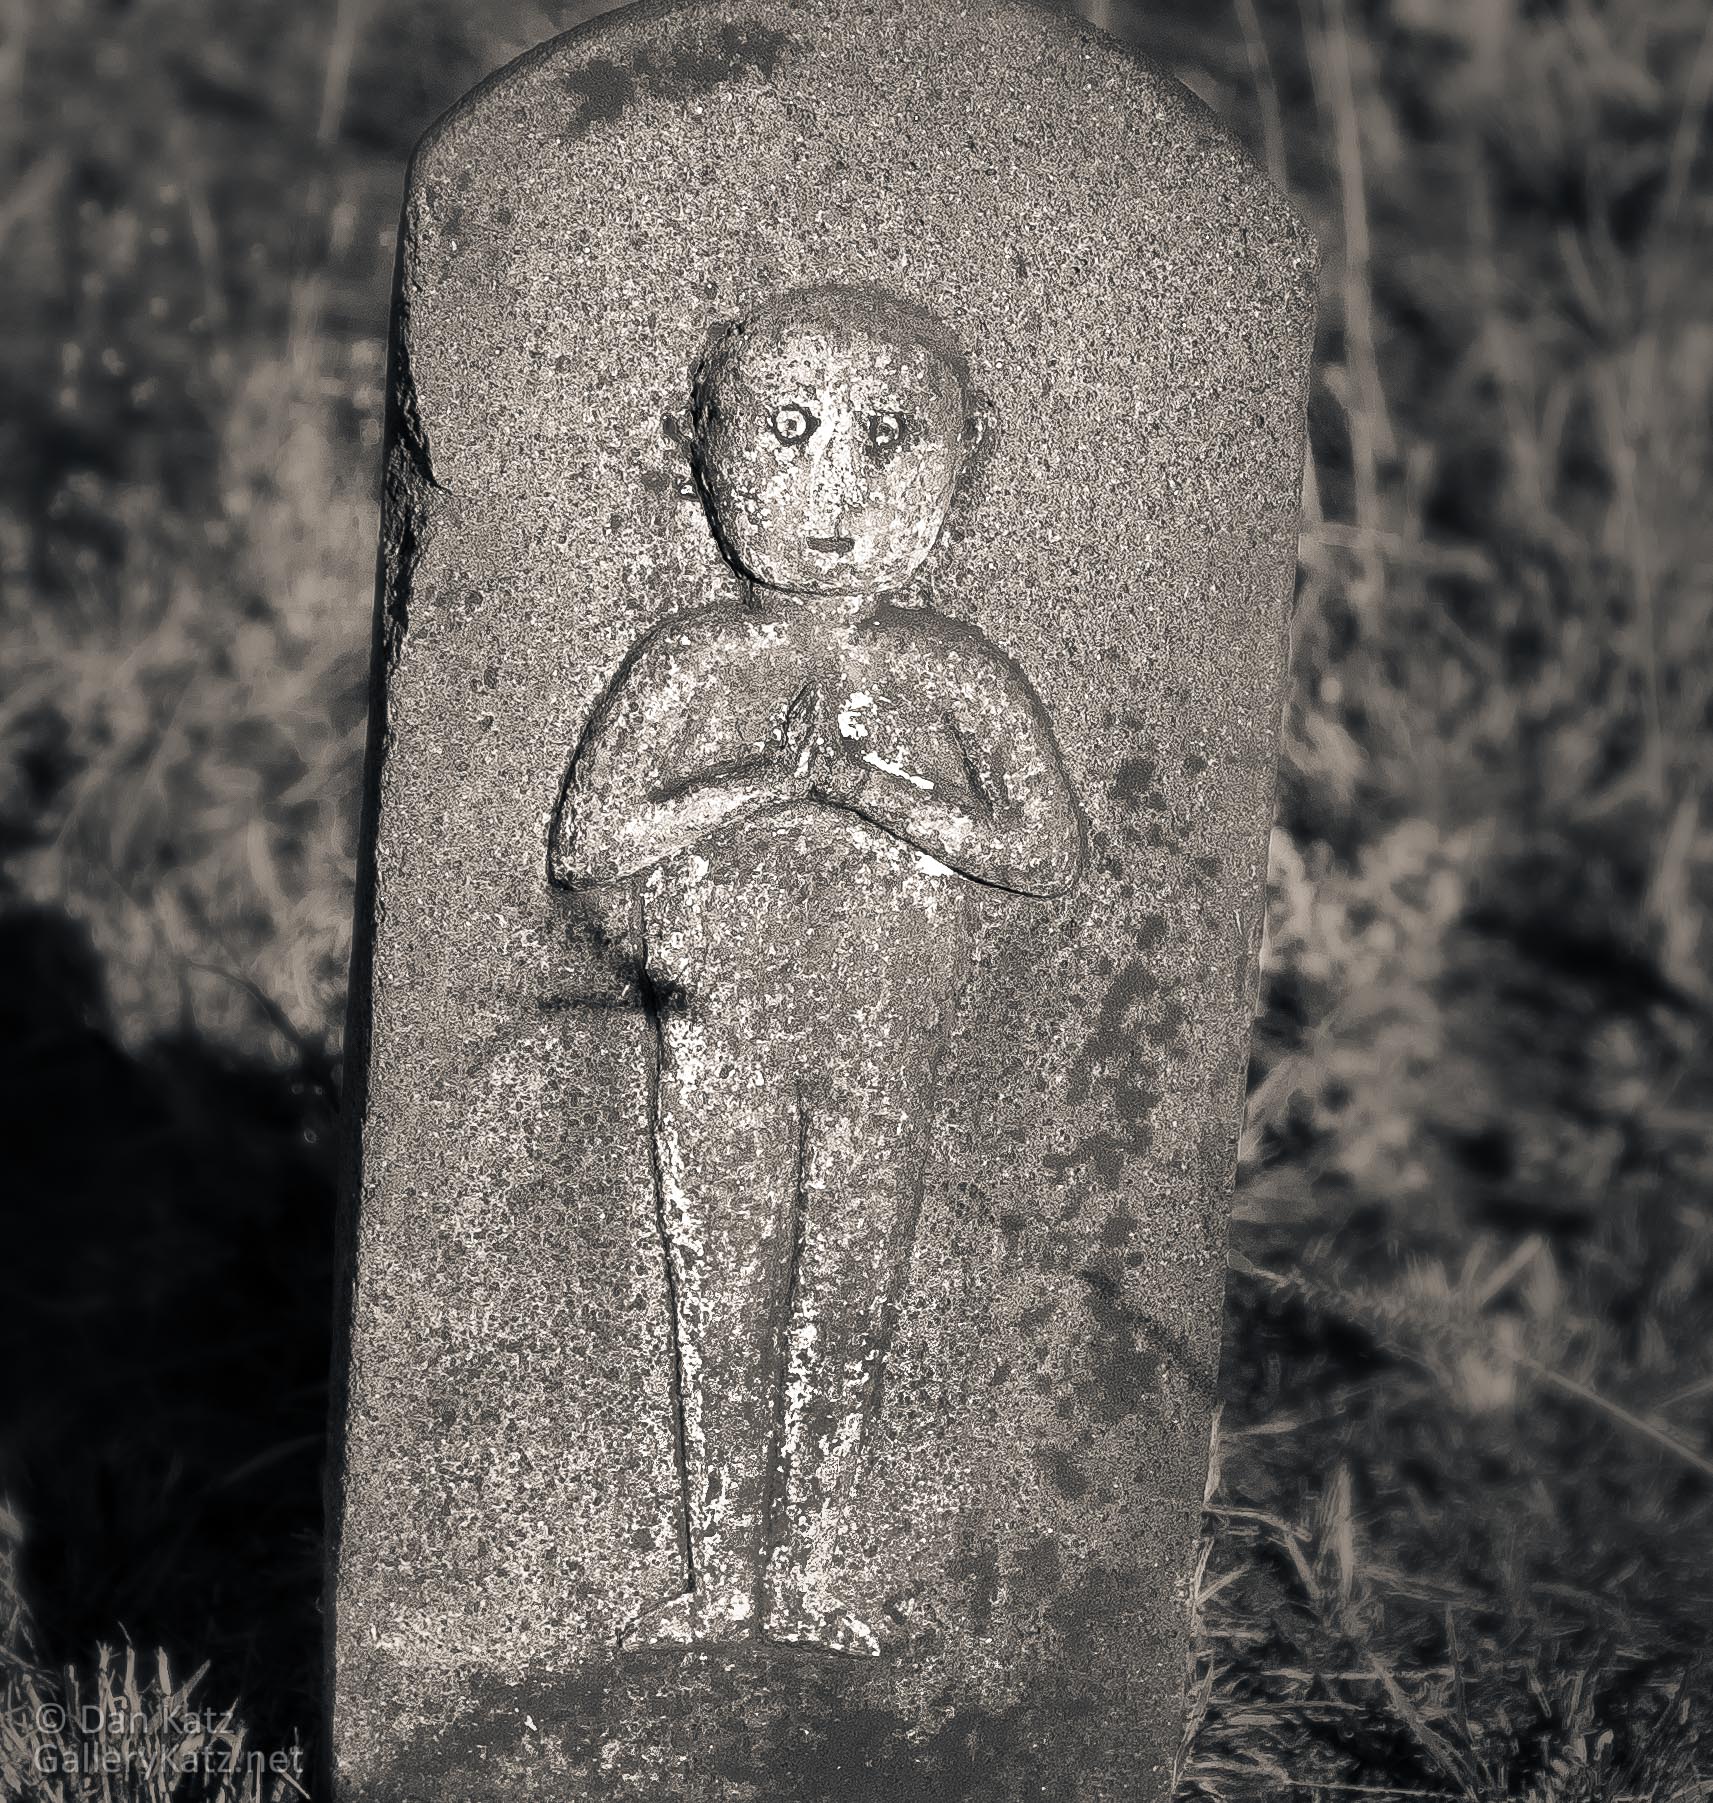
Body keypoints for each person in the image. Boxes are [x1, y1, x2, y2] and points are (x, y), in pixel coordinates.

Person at [552, 284, 1082, 1655]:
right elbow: (590, 840)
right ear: (703, 452)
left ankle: (809, 1576)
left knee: (851, 1286)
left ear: (962, 463)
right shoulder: (693, 657)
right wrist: (754, 784)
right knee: (719, 1280)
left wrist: (864, 789)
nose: (833, 489)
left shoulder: (949, 669)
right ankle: (717, 1578)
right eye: (785, 433)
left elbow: (1040, 851)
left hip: (885, 1026)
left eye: (886, 438)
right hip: (716, 1017)